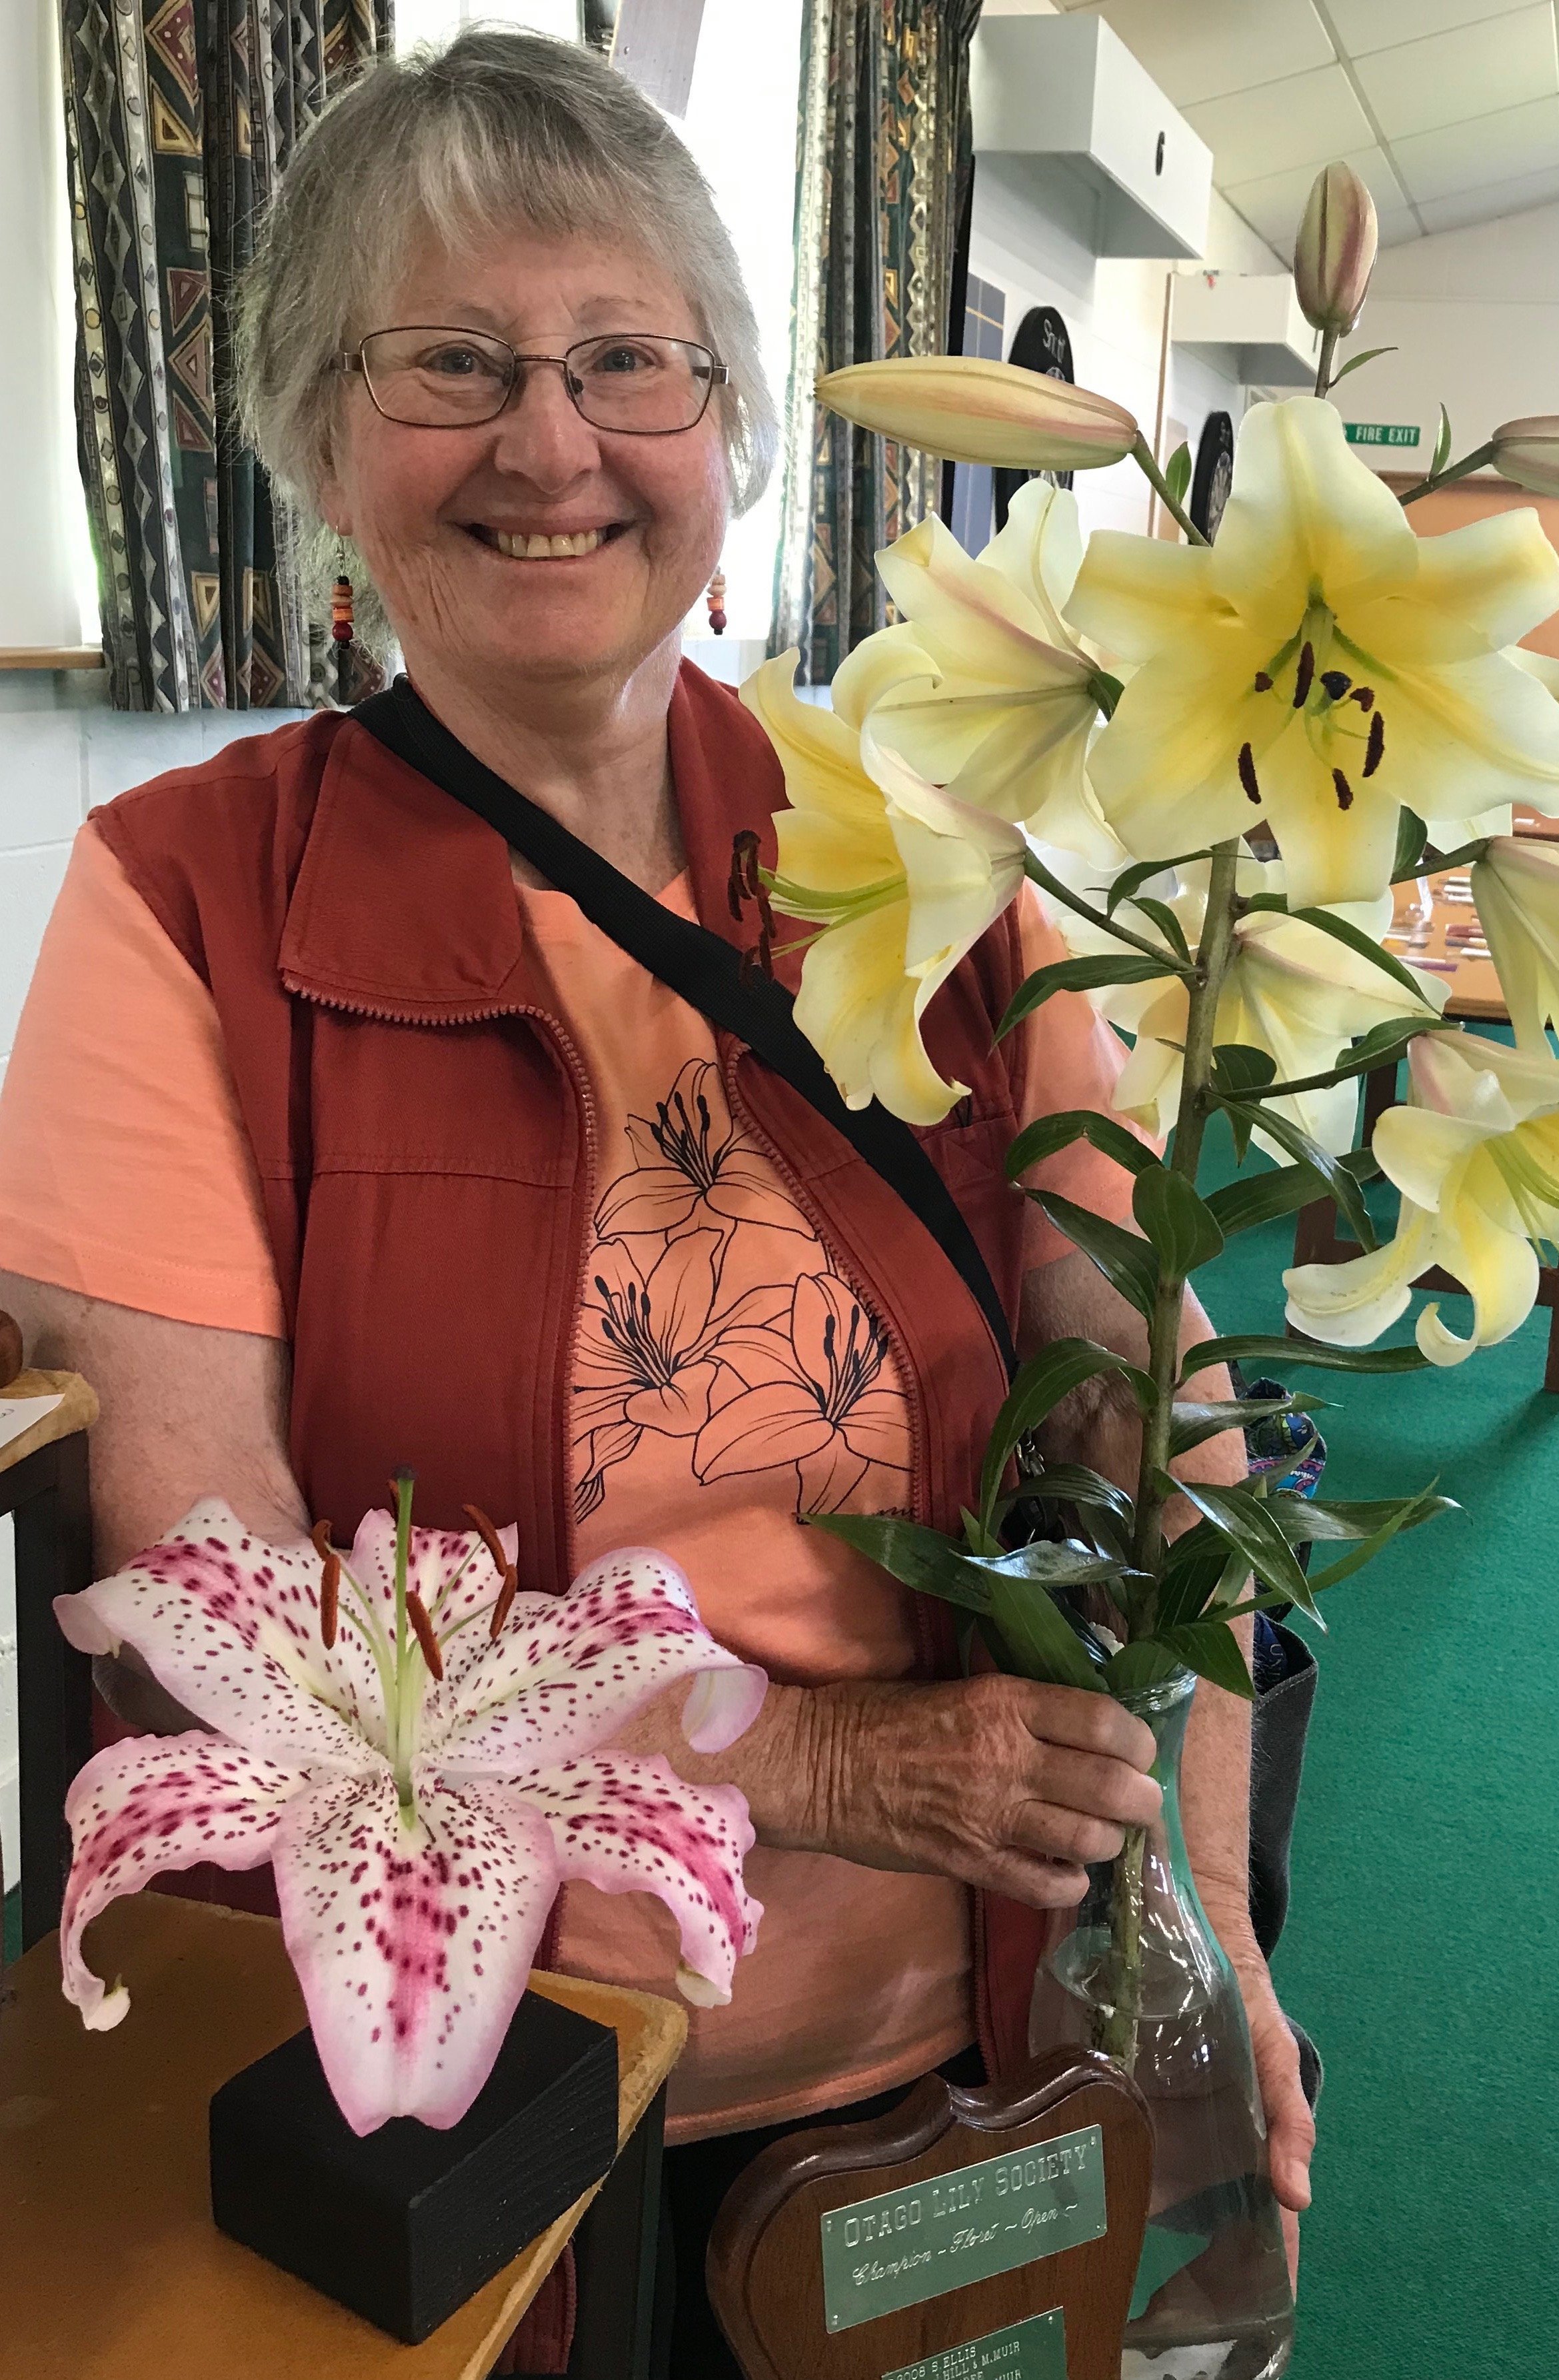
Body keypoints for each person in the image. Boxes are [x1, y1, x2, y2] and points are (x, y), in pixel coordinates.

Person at [0, 29, 1313, 2371]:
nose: (550, 439)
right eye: (451, 363)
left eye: (629, 359)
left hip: (979, 2049)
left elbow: (1149, 1399)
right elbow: (240, 1618)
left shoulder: (925, 840)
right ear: (320, 435)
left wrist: (1207, 1926)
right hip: (495, 2114)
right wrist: (815, 1765)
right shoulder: (178, 908)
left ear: (726, 434)